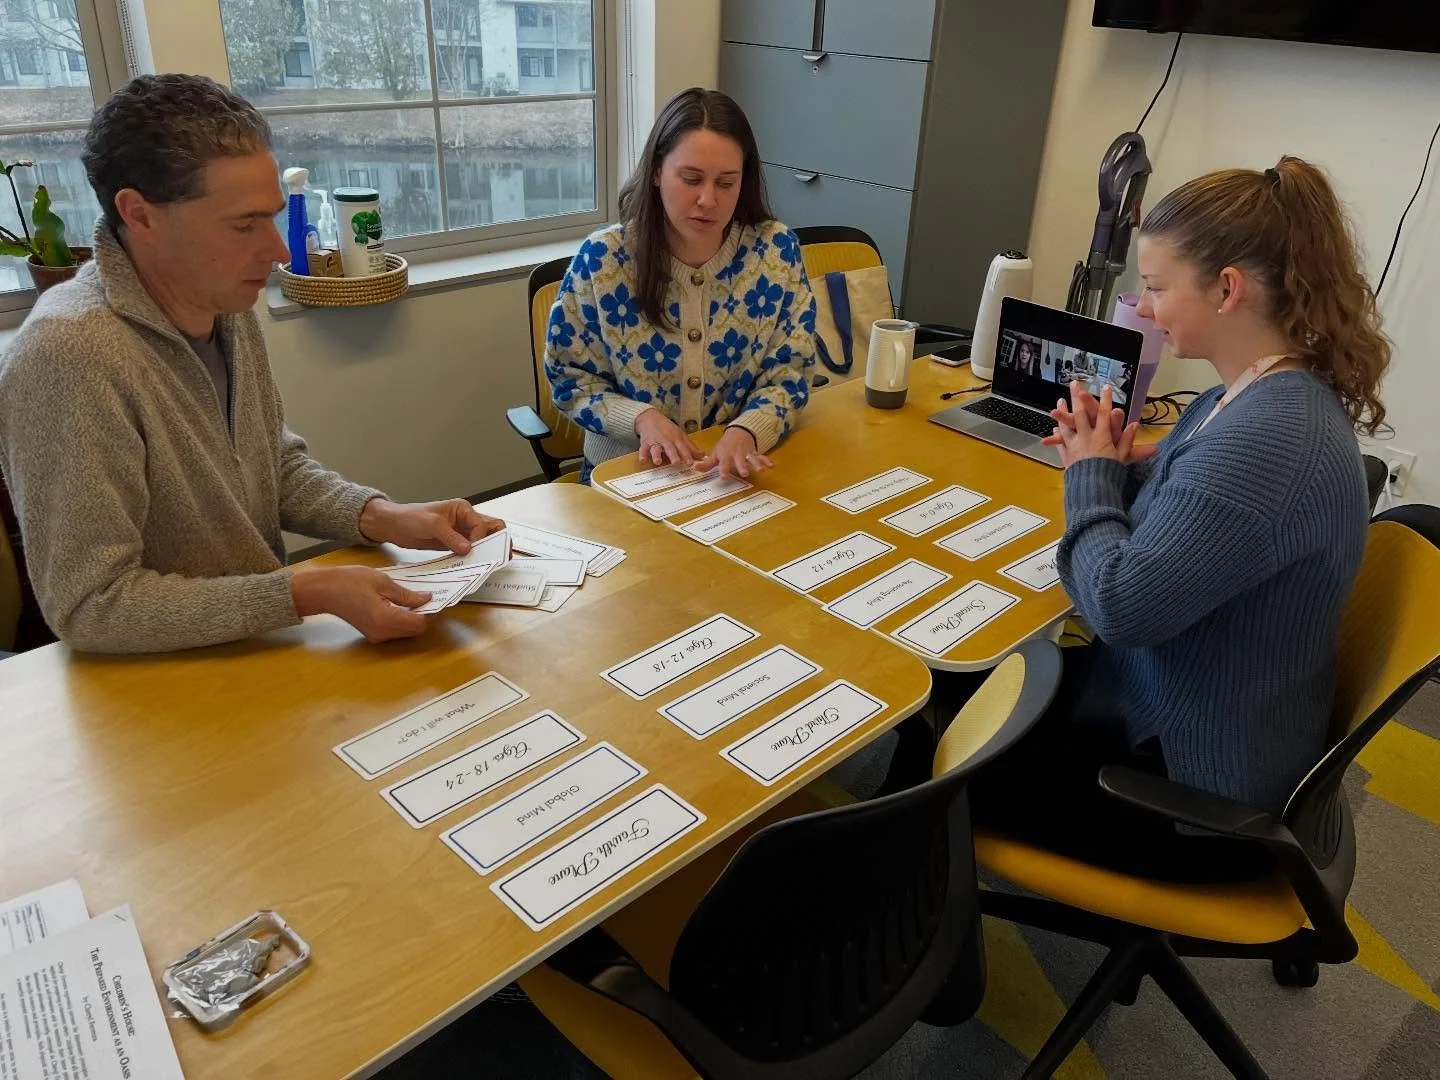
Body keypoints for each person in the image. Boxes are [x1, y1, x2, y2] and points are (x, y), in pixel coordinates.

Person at [966, 156, 1386, 883]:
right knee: (980, 678)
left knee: (941, 756)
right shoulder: (1258, 394)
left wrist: (1091, 474)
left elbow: (1120, 605)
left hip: (1185, 791)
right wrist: (1120, 466)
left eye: (1157, 287)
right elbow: (1192, 504)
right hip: (1195, 708)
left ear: (1227, 289)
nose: (1145, 307)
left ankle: (933, 937)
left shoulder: (1268, 440)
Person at [0, 74, 502, 654]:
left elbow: (273, 468)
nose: (278, 251)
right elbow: (90, 607)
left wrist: (382, 516)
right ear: (138, 214)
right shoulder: (68, 356)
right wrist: (301, 592)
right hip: (153, 695)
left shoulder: (221, 300)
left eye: (271, 216)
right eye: (245, 225)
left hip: (253, 649)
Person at [543, 88, 815, 483]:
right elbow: (570, 377)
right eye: (691, 179)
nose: (708, 199)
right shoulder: (603, 259)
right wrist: (642, 419)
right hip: (626, 472)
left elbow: (791, 371)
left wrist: (748, 429)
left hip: (732, 470)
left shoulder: (775, 252)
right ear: (656, 173)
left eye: (726, 183)